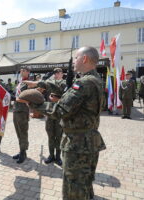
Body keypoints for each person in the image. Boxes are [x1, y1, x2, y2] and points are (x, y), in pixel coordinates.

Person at [28, 47, 106, 199]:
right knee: (85, 185)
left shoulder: (83, 83)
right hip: (89, 140)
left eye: (76, 58)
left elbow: (60, 111)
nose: (73, 62)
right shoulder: (97, 80)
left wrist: (35, 105)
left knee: (73, 190)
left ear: (84, 59)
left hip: (77, 145)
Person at [12, 66, 31, 164]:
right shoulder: (20, 82)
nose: (21, 71)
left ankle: (23, 153)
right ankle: (21, 150)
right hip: (16, 110)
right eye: (21, 70)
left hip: (23, 111)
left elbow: (31, 98)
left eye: (23, 70)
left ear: (28, 72)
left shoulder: (30, 83)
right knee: (18, 132)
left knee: (23, 132)